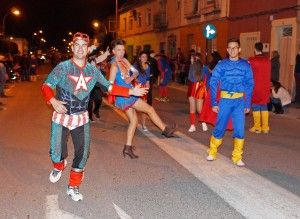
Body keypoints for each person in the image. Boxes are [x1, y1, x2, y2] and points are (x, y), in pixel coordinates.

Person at [41, 32, 148, 202]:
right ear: (72, 47)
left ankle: (73, 186)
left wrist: (130, 91)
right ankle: (58, 165)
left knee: (83, 153)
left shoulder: (93, 70)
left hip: (81, 118)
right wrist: (52, 100)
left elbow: (109, 87)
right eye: (77, 45)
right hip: (61, 116)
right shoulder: (63, 67)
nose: (81, 49)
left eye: (84, 45)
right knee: (56, 152)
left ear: (87, 49)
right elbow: (47, 85)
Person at [109, 39, 177, 159]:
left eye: (123, 50)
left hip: (130, 93)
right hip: (125, 97)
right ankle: (165, 130)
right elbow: (109, 87)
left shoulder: (124, 61)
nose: (121, 52)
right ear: (113, 51)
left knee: (134, 121)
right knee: (150, 109)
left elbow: (134, 73)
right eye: (118, 50)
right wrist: (128, 88)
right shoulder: (114, 66)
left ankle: (127, 148)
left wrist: (131, 79)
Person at [206, 38, 254, 167]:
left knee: (240, 129)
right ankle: (212, 151)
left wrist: (247, 103)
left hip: (239, 101)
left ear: (239, 49)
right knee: (220, 127)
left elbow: (250, 85)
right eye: (230, 48)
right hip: (225, 101)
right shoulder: (221, 65)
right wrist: (214, 103)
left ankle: (237, 156)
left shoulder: (246, 65)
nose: (233, 50)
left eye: (235, 47)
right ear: (227, 50)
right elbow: (213, 82)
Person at [199, 51, 233, 131]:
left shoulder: (222, 63)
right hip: (220, 87)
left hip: (220, 87)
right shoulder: (224, 63)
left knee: (218, 106)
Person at [248, 42, 271, 134]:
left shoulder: (251, 60)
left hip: (256, 86)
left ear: (255, 49)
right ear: (262, 49)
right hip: (265, 86)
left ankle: (257, 127)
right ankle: (265, 127)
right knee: (264, 105)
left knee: (256, 105)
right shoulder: (268, 60)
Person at [187, 52, 207, 132]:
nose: (190, 59)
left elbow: (190, 78)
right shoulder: (204, 67)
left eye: (191, 58)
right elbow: (207, 78)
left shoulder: (193, 65)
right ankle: (203, 123)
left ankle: (193, 125)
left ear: (195, 58)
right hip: (201, 87)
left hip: (193, 86)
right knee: (199, 108)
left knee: (193, 107)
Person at [133, 51, 151, 131]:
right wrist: (137, 81)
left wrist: (148, 83)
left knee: (144, 106)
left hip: (144, 88)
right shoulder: (135, 65)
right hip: (136, 87)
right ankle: (133, 122)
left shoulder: (148, 66)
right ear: (139, 58)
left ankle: (144, 124)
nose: (144, 58)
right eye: (143, 57)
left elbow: (148, 78)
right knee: (134, 106)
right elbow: (131, 75)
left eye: (146, 57)